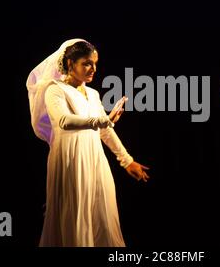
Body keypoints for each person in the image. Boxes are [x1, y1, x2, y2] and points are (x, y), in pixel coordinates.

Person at [26, 39, 150, 247]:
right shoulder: (54, 90)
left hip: (95, 160)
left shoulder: (92, 94)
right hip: (70, 160)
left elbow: (105, 131)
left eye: (95, 63)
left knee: (103, 214)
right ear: (70, 63)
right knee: (75, 216)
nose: (93, 69)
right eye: (86, 63)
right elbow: (64, 121)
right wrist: (104, 120)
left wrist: (127, 160)